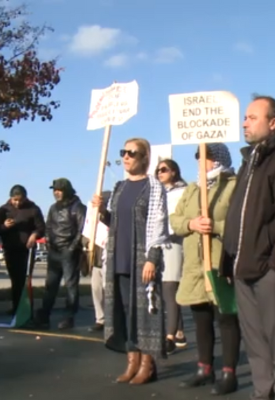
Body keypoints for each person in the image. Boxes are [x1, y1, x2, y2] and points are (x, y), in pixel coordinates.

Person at [221, 95, 275, 400]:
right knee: (256, 342)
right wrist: (228, 259)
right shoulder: (248, 163)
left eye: (252, 117)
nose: (244, 122)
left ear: (273, 124)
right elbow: (238, 215)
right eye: (245, 117)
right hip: (242, 267)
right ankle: (263, 393)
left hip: (270, 270)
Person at [93, 138, 170, 385]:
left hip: (142, 259)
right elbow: (115, 222)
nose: (126, 157)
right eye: (123, 152)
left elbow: (159, 225)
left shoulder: (153, 187)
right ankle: (132, 361)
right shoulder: (119, 187)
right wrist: (102, 212)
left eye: (132, 153)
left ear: (145, 157)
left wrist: (152, 259)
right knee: (125, 312)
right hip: (119, 257)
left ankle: (148, 364)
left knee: (146, 312)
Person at [170, 143, 240, 395]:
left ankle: (229, 373)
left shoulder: (232, 185)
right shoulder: (192, 189)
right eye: (198, 157)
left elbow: (240, 221)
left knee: (226, 317)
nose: (201, 161)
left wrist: (215, 225)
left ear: (218, 159)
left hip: (220, 261)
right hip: (194, 264)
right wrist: (191, 223)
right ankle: (205, 368)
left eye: (206, 157)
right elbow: (175, 220)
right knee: (200, 317)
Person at [36, 178, 86, 330]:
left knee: (70, 286)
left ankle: (68, 317)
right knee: (50, 285)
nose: (56, 193)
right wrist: (49, 243)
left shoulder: (78, 207)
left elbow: (82, 229)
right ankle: (44, 316)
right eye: (54, 190)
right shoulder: (53, 208)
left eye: (59, 189)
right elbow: (48, 226)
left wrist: (72, 248)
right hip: (54, 251)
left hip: (69, 252)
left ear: (67, 190)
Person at [0, 185, 46, 315]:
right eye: (15, 200)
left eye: (20, 200)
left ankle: (27, 309)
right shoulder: (4, 210)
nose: (17, 203)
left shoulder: (33, 209)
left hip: (27, 250)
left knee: (25, 280)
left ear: (25, 198)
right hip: (10, 249)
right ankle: (16, 307)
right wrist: (4, 226)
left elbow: (41, 228)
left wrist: (34, 235)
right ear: (10, 198)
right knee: (15, 280)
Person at [155, 159, 187, 351]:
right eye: (158, 170)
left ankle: (169, 337)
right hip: (158, 244)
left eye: (164, 170)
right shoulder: (156, 192)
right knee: (162, 290)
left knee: (169, 288)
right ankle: (180, 331)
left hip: (174, 241)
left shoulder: (183, 192)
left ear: (174, 172)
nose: (160, 172)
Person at [86, 190, 111, 332]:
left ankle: (112, 319)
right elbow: (86, 232)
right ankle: (100, 319)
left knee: (109, 290)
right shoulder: (92, 215)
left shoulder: (111, 216)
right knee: (96, 290)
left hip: (109, 259)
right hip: (96, 258)